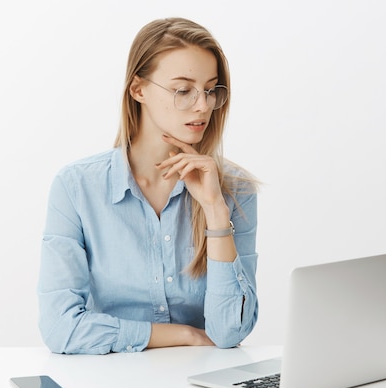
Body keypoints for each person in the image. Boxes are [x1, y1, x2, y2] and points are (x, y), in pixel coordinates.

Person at [37, 17, 259, 354]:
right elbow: (60, 328)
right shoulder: (76, 188)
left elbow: (229, 331)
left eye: (210, 89)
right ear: (138, 89)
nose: (202, 105)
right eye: (183, 90)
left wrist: (215, 212)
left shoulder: (233, 190)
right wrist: (181, 335)